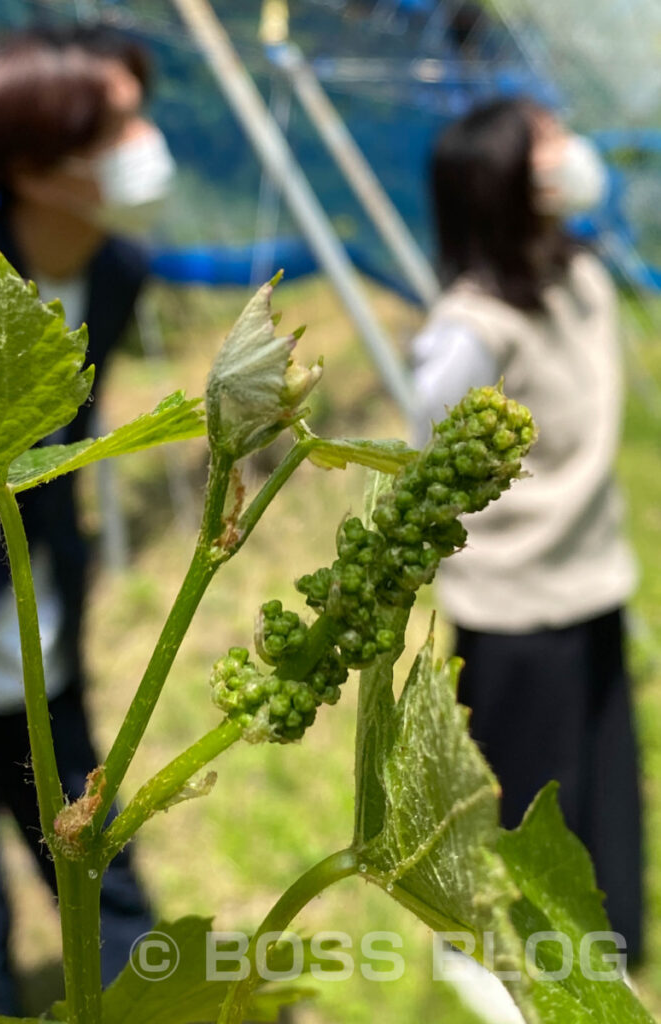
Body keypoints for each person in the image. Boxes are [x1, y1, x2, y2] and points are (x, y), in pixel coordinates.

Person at [411, 98, 643, 963]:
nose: (566, 153)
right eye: (543, 143)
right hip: (513, 601)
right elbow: (427, 446)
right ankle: (494, 959)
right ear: (499, 181)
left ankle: (600, 946)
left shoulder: (575, 273)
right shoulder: (470, 329)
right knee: (522, 795)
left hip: (590, 574)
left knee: (599, 781)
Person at [0, 24, 176, 1014]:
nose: (144, 141)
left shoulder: (115, 271)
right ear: (34, 163)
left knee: (98, 856)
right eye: (115, 124)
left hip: (35, 634)